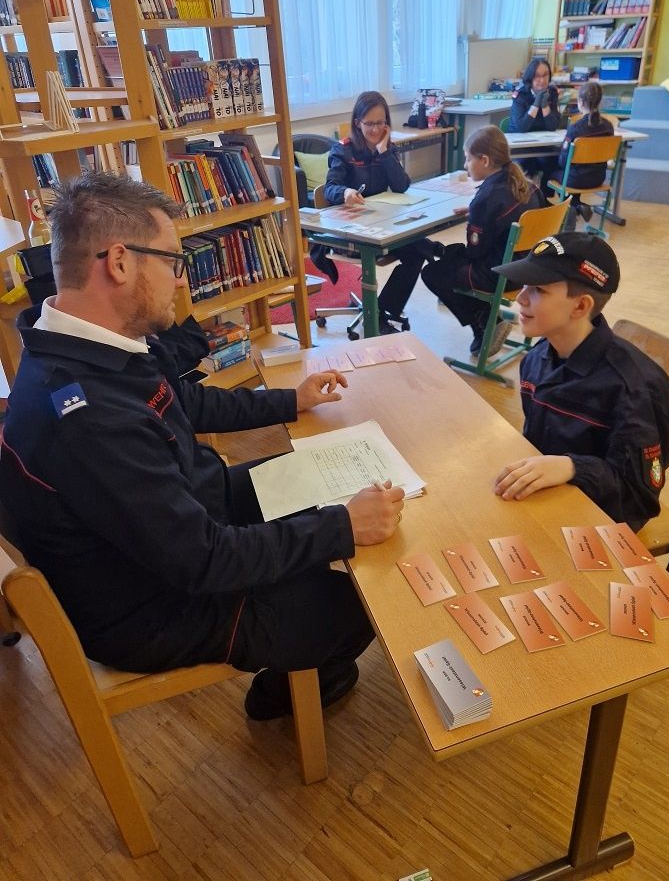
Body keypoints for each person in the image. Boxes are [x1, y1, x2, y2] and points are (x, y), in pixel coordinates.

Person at [0, 172, 405, 722]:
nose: (181, 281)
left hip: (180, 526)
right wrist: (342, 527)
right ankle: (279, 695)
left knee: (312, 476)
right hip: (154, 608)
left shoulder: (88, 346)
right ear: (119, 262)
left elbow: (182, 402)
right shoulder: (88, 418)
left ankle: (306, 622)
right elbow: (203, 561)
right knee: (364, 604)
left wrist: (289, 401)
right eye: (172, 261)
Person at [491, 233, 669, 531]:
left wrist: (573, 467)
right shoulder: (537, 358)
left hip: (597, 519)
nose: (521, 298)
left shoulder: (634, 390)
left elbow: (638, 499)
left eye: (538, 289)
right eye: (524, 286)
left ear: (580, 307)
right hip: (544, 499)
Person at [323, 90, 441, 334]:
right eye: (369, 124)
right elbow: (330, 188)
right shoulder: (342, 151)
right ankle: (432, 248)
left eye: (380, 123)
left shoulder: (386, 148)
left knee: (413, 255)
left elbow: (401, 185)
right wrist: (345, 192)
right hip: (350, 232)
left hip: (381, 226)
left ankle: (380, 312)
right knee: (417, 247)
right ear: (357, 122)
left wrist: (384, 151)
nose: (375, 129)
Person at [421, 126, 545, 356]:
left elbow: (476, 252)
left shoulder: (485, 199)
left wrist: (453, 252)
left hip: (500, 274)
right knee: (449, 256)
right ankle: (488, 315)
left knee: (433, 272)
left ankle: (486, 320)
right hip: (528, 268)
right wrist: (475, 215)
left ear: (485, 160)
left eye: (468, 159)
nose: (466, 165)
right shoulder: (527, 184)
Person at [553, 81, 615, 229]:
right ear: (599, 102)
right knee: (573, 173)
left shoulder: (575, 129)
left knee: (551, 172)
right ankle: (577, 206)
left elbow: (563, 162)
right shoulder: (608, 127)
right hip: (599, 178)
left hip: (576, 180)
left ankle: (559, 213)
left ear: (580, 102)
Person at [508, 57, 561, 192]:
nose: (542, 80)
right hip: (520, 148)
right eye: (537, 76)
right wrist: (535, 104)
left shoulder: (552, 93)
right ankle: (525, 203)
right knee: (522, 167)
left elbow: (553, 125)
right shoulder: (520, 95)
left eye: (545, 75)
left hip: (542, 146)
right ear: (530, 77)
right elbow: (522, 127)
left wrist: (544, 105)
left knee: (555, 163)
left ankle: (544, 201)